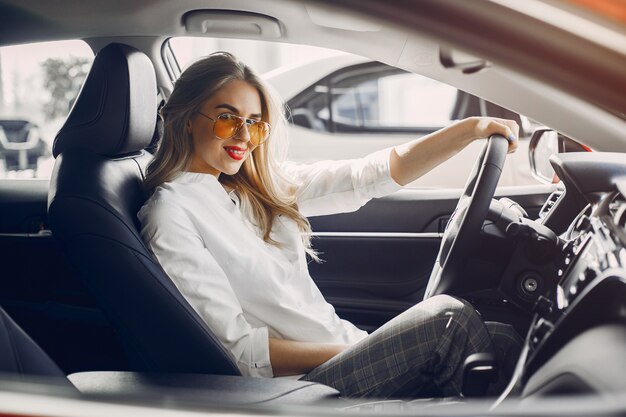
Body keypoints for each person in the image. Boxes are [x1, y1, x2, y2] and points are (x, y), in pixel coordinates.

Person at [138, 52, 522, 399]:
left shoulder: (253, 191)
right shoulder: (170, 213)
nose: (244, 137)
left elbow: (367, 176)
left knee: (501, 340)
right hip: (302, 388)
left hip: (343, 352)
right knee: (447, 323)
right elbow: (238, 351)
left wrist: (471, 130)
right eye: (227, 119)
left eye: (254, 124)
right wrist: (359, 350)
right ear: (188, 120)